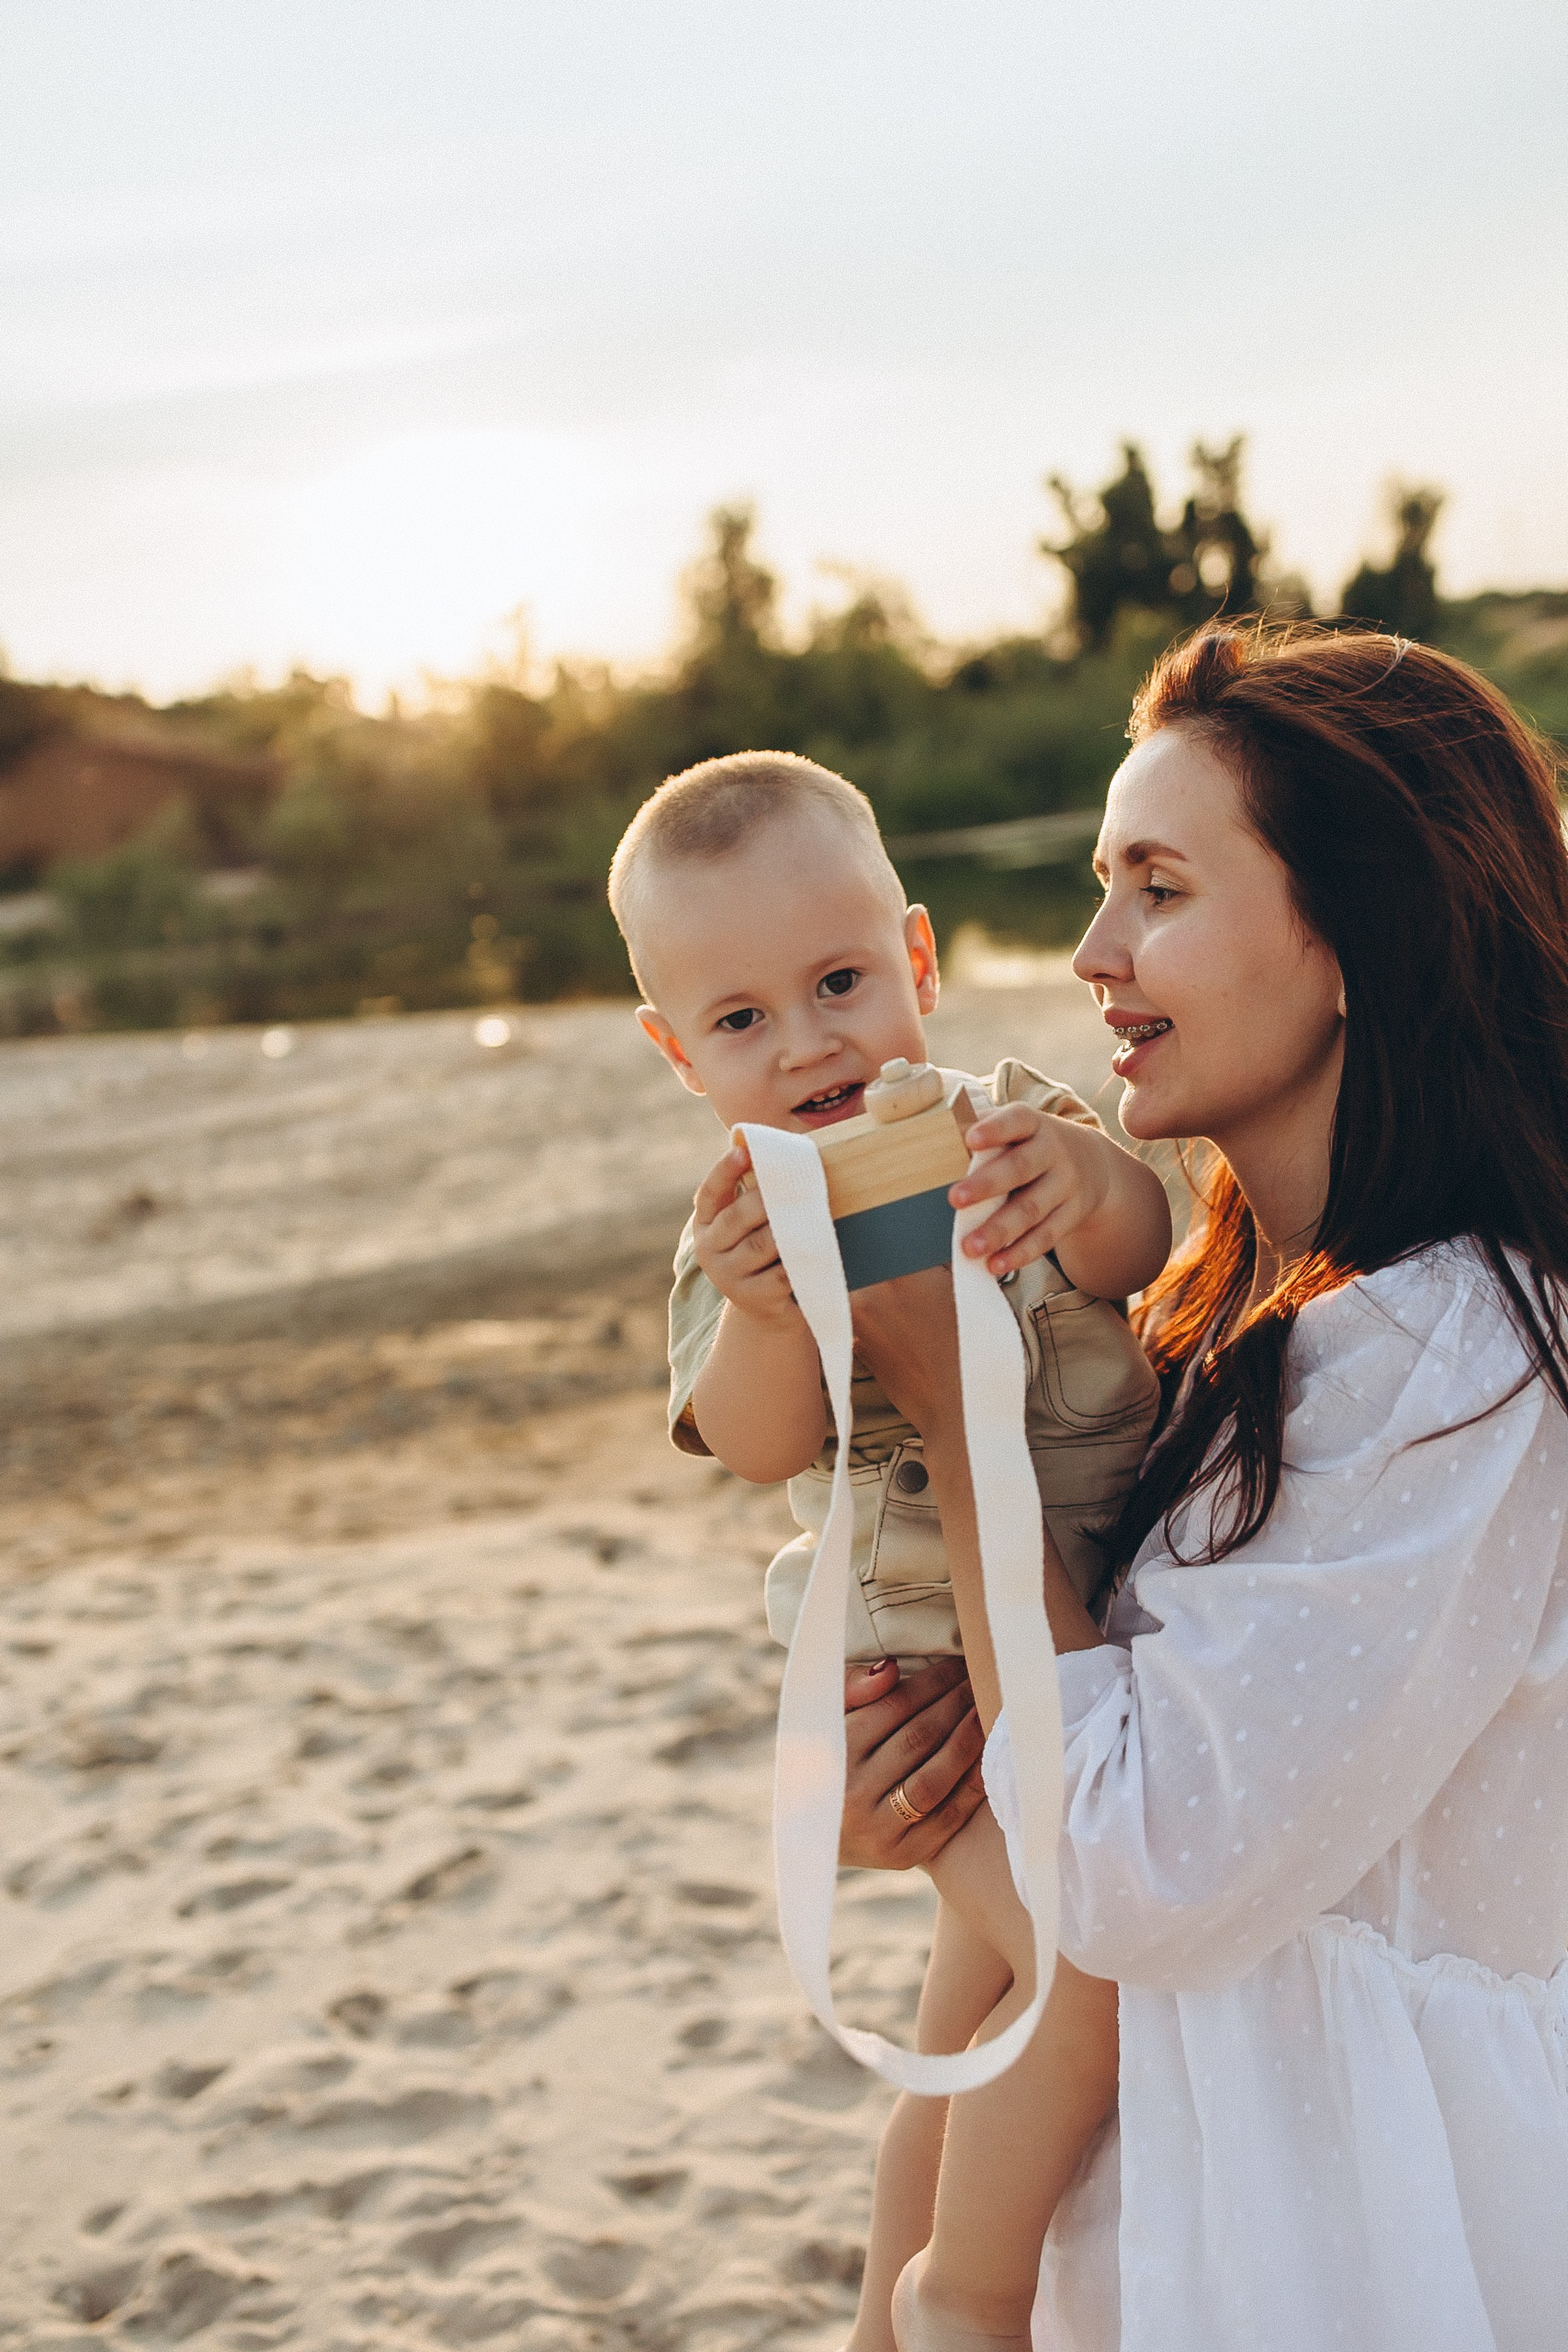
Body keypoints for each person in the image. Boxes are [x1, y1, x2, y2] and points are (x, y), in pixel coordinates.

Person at [841, 624, 1568, 2351]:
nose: (1094, 953)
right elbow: (1085, 1730)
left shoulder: (1456, 1357)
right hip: (1182, 2167)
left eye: (1158, 886)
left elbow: (1144, 1862)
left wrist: (967, 1422)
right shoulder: (1225, 1288)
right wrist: (913, 1803)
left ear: (1353, 937)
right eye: (1103, 884)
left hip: (1346, 2221)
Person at [606, 751, 1171, 2352]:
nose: (808, 1046)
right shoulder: (747, 1217)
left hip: (1069, 1641)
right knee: (1079, 1990)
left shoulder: (1017, 1123)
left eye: (840, 981)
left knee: (969, 2012)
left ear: (917, 960)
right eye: (740, 1022)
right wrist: (776, 1303)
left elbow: (1152, 1248)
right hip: (920, 1675)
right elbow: (760, 1441)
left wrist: (1088, 1185)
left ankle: (871, 2323)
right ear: (677, 1051)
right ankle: (963, 2299)